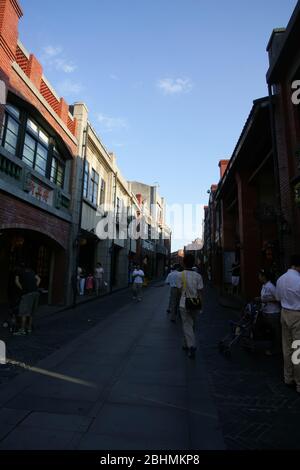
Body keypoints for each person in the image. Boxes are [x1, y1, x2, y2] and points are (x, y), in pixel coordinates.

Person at [276, 255, 300, 393]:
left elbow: (278, 297)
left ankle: (288, 377)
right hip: (297, 315)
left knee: (287, 348)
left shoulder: (281, 279)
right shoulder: (299, 280)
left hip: (284, 313)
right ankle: (299, 383)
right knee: (298, 350)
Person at [176, 253, 204, 359]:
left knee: (186, 324)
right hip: (196, 303)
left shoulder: (180, 275)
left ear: (183, 263)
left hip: (184, 303)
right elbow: (201, 291)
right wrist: (202, 305)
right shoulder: (198, 276)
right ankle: (185, 343)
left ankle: (191, 346)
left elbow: (179, 290)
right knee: (191, 324)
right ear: (194, 263)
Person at [258, 269, 281, 356]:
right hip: (266, 312)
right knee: (269, 332)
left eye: (260, 275)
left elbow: (278, 298)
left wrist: (266, 300)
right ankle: (270, 347)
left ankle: (276, 349)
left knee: (275, 332)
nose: (258, 277)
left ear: (264, 277)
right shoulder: (264, 286)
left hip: (273, 313)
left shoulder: (271, 286)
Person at [14, 264, 41, 335]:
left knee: (24, 312)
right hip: (36, 292)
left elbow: (16, 281)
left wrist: (22, 288)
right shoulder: (31, 271)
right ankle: (29, 329)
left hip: (27, 293)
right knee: (31, 312)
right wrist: (34, 287)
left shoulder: (19, 271)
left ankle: (22, 329)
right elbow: (39, 279)